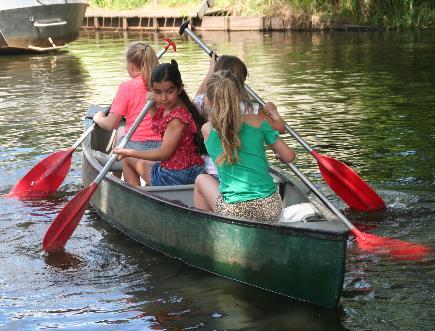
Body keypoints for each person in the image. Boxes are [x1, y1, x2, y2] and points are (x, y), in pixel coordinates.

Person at [194, 70, 296, 224]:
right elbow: (289, 156)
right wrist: (274, 113)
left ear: (208, 101)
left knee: (201, 179)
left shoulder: (207, 130)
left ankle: (206, 229)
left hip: (234, 212)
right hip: (270, 208)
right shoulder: (258, 121)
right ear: (239, 97)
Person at [113, 61, 205, 186]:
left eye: (169, 91)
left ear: (180, 89)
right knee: (136, 160)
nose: (163, 98)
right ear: (152, 90)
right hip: (186, 169)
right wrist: (152, 108)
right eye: (158, 92)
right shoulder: (172, 106)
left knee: (128, 160)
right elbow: (159, 124)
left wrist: (129, 152)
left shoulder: (176, 118)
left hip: (176, 175)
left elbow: (163, 154)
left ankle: (138, 199)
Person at [193, 53, 285, 179]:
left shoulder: (204, 102)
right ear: (241, 82)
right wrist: (273, 112)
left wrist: (210, 70)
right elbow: (279, 128)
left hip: (213, 171)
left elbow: (197, 98)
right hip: (247, 172)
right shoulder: (252, 108)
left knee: (201, 181)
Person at [92, 41, 161, 179]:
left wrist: (98, 118)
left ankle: (118, 178)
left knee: (120, 131)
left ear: (131, 66)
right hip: (164, 146)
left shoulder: (126, 87)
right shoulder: (164, 84)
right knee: (122, 130)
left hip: (138, 147)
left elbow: (110, 124)